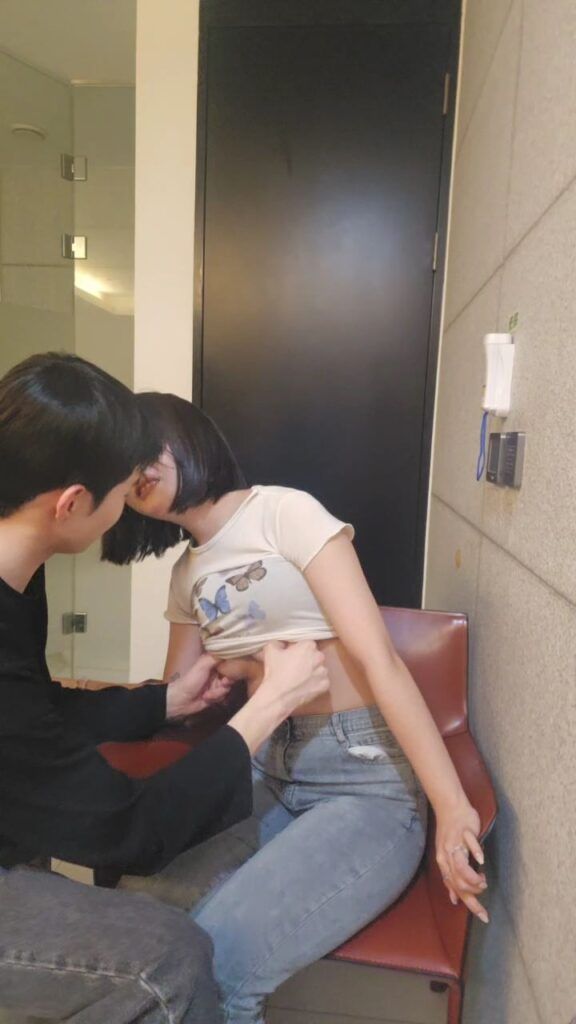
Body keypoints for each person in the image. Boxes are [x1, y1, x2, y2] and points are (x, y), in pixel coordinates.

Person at [103, 393, 489, 1024]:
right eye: (122, 467)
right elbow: (181, 693)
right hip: (264, 769)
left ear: (188, 435)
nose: (136, 471)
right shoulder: (184, 575)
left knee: (213, 968)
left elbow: (380, 661)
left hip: (363, 778)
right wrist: (206, 684)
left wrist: (449, 805)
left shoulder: (284, 512)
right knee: (139, 918)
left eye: (147, 446)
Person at [0, 353, 329, 1023]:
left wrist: (164, 701)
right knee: (170, 955)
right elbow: (124, 826)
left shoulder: (20, 576)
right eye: (124, 492)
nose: (129, 506)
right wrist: (268, 706)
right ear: (72, 503)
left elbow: (29, 714)